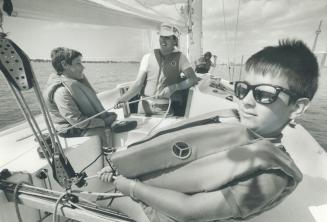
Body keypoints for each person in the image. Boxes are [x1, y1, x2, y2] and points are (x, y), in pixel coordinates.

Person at [97, 39, 319, 222]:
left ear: (297, 107)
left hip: (170, 214)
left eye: (265, 94)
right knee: (105, 192)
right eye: (244, 89)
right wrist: (124, 174)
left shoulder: (271, 179)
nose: (247, 102)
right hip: (150, 192)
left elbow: (189, 211)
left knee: (102, 200)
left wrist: (131, 188)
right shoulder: (232, 127)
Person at [116, 23, 198, 116]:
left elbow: (193, 79)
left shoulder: (181, 58)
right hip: (143, 107)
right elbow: (138, 84)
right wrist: (122, 99)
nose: (163, 40)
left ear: (175, 41)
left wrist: (174, 87)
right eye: (161, 37)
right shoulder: (147, 57)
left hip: (163, 109)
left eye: (167, 38)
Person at [43, 47, 117, 146]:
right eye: (78, 63)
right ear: (65, 65)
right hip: (70, 129)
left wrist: (104, 117)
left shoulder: (73, 83)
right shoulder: (61, 91)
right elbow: (77, 121)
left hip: (79, 124)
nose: (83, 67)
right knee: (105, 131)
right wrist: (103, 121)